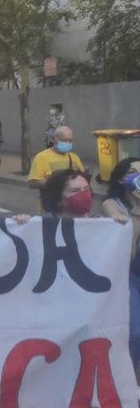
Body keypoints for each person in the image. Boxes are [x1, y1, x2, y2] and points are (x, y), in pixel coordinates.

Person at [100, 157, 140, 376]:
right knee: (135, 333)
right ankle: (126, 380)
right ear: (121, 178)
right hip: (129, 275)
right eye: (132, 172)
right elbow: (128, 246)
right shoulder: (112, 205)